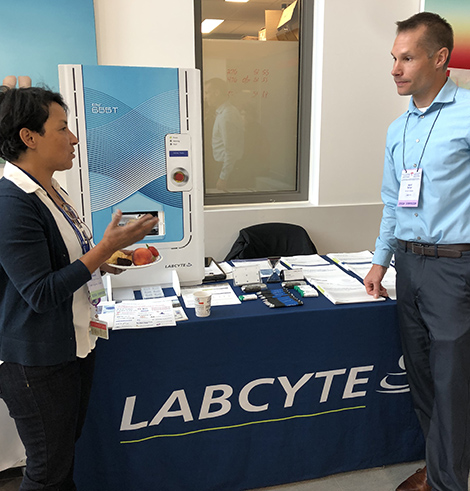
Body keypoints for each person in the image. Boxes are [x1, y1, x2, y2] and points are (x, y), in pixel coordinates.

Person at [0, 86, 158, 490]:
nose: (73, 139)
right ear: (29, 137)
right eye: (62, 128)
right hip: (36, 359)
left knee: (61, 458)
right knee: (47, 470)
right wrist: (104, 248)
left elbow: (64, 261)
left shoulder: (52, 190)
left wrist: (107, 259)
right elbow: (39, 293)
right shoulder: (12, 202)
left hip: (75, 343)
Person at [364, 12, 470, 491]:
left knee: (451, 385)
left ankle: (448, 483)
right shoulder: (398, 129)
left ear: (440, 57)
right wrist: (380, 260)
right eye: (394, 58)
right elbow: (393, 201)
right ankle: (437, 469)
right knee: (423, 378)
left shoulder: (467, 113)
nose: (395, 69)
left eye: (407, 58)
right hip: (407, 265)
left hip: (454, 268)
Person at [204, 78, 244, 191]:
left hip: (226, 169)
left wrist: (223, 177)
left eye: (207, 92)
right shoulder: (223, 113)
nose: (205, 97)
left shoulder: (227, 115)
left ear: (217, 93)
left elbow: (231, 150)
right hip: (224, 166)